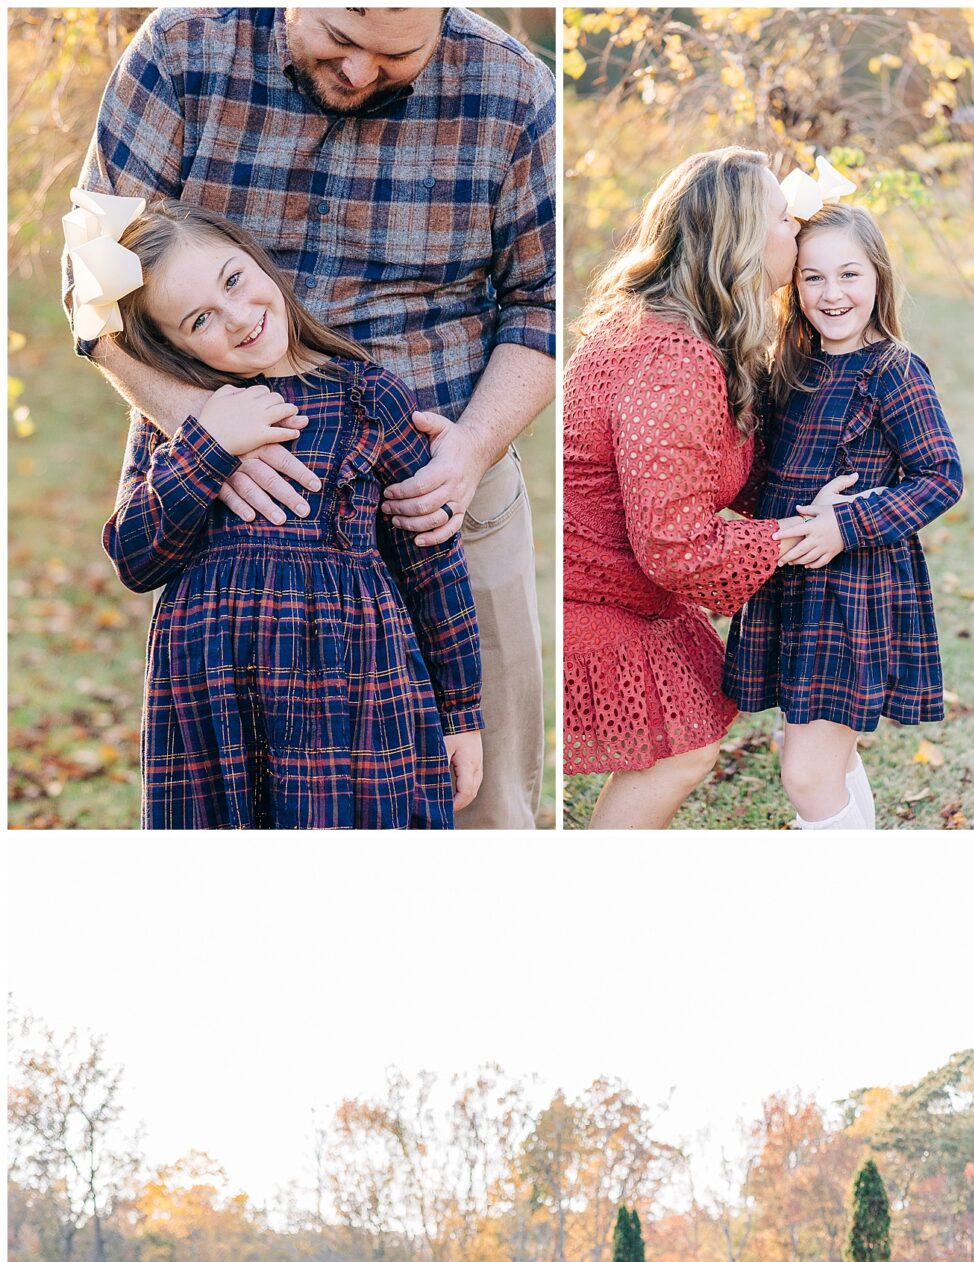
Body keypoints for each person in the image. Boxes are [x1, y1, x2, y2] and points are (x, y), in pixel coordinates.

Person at [66, 7, 556, 831]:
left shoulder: (513, 90)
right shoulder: (183, 48)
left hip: (435, 475)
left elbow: (540, 303)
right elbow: (93, 281)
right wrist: (207, 429)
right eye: (339, 40)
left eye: (396, 54)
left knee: (478, 803)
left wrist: (469, 451)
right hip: (228, 524)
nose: (361, 72)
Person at [92, 198, 483, 828]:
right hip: (212, 695)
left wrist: (462, 714)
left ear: (254, 257)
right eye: (200, 320)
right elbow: (134, 558)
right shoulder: (178, 419)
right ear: (166, 345)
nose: (239, 316)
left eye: (234, 279)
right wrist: (209, 446)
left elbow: (432, 563)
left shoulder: (366, 396)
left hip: (351, 682)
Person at [562, 147, 856, 830]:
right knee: (682, 749)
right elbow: (674, 544)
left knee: (684, 746)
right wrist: (800, 534)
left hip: (624, 586)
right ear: (743, 241)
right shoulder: (671, 359)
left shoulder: (683, 333)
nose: (799, 230)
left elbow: (703, 473)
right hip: (593, 593)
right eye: (786, 220)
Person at [723, 205, 964, 831]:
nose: (833, 294)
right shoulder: (789, 369)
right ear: (791, 283)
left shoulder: (893, 371)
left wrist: (845, 524)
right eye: (813, 277)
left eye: (850, 274)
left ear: (878, 278)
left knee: (807, 774)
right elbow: (766, 477)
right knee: (829, 762)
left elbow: (941, 477)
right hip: (793, 588)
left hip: (853, 594)